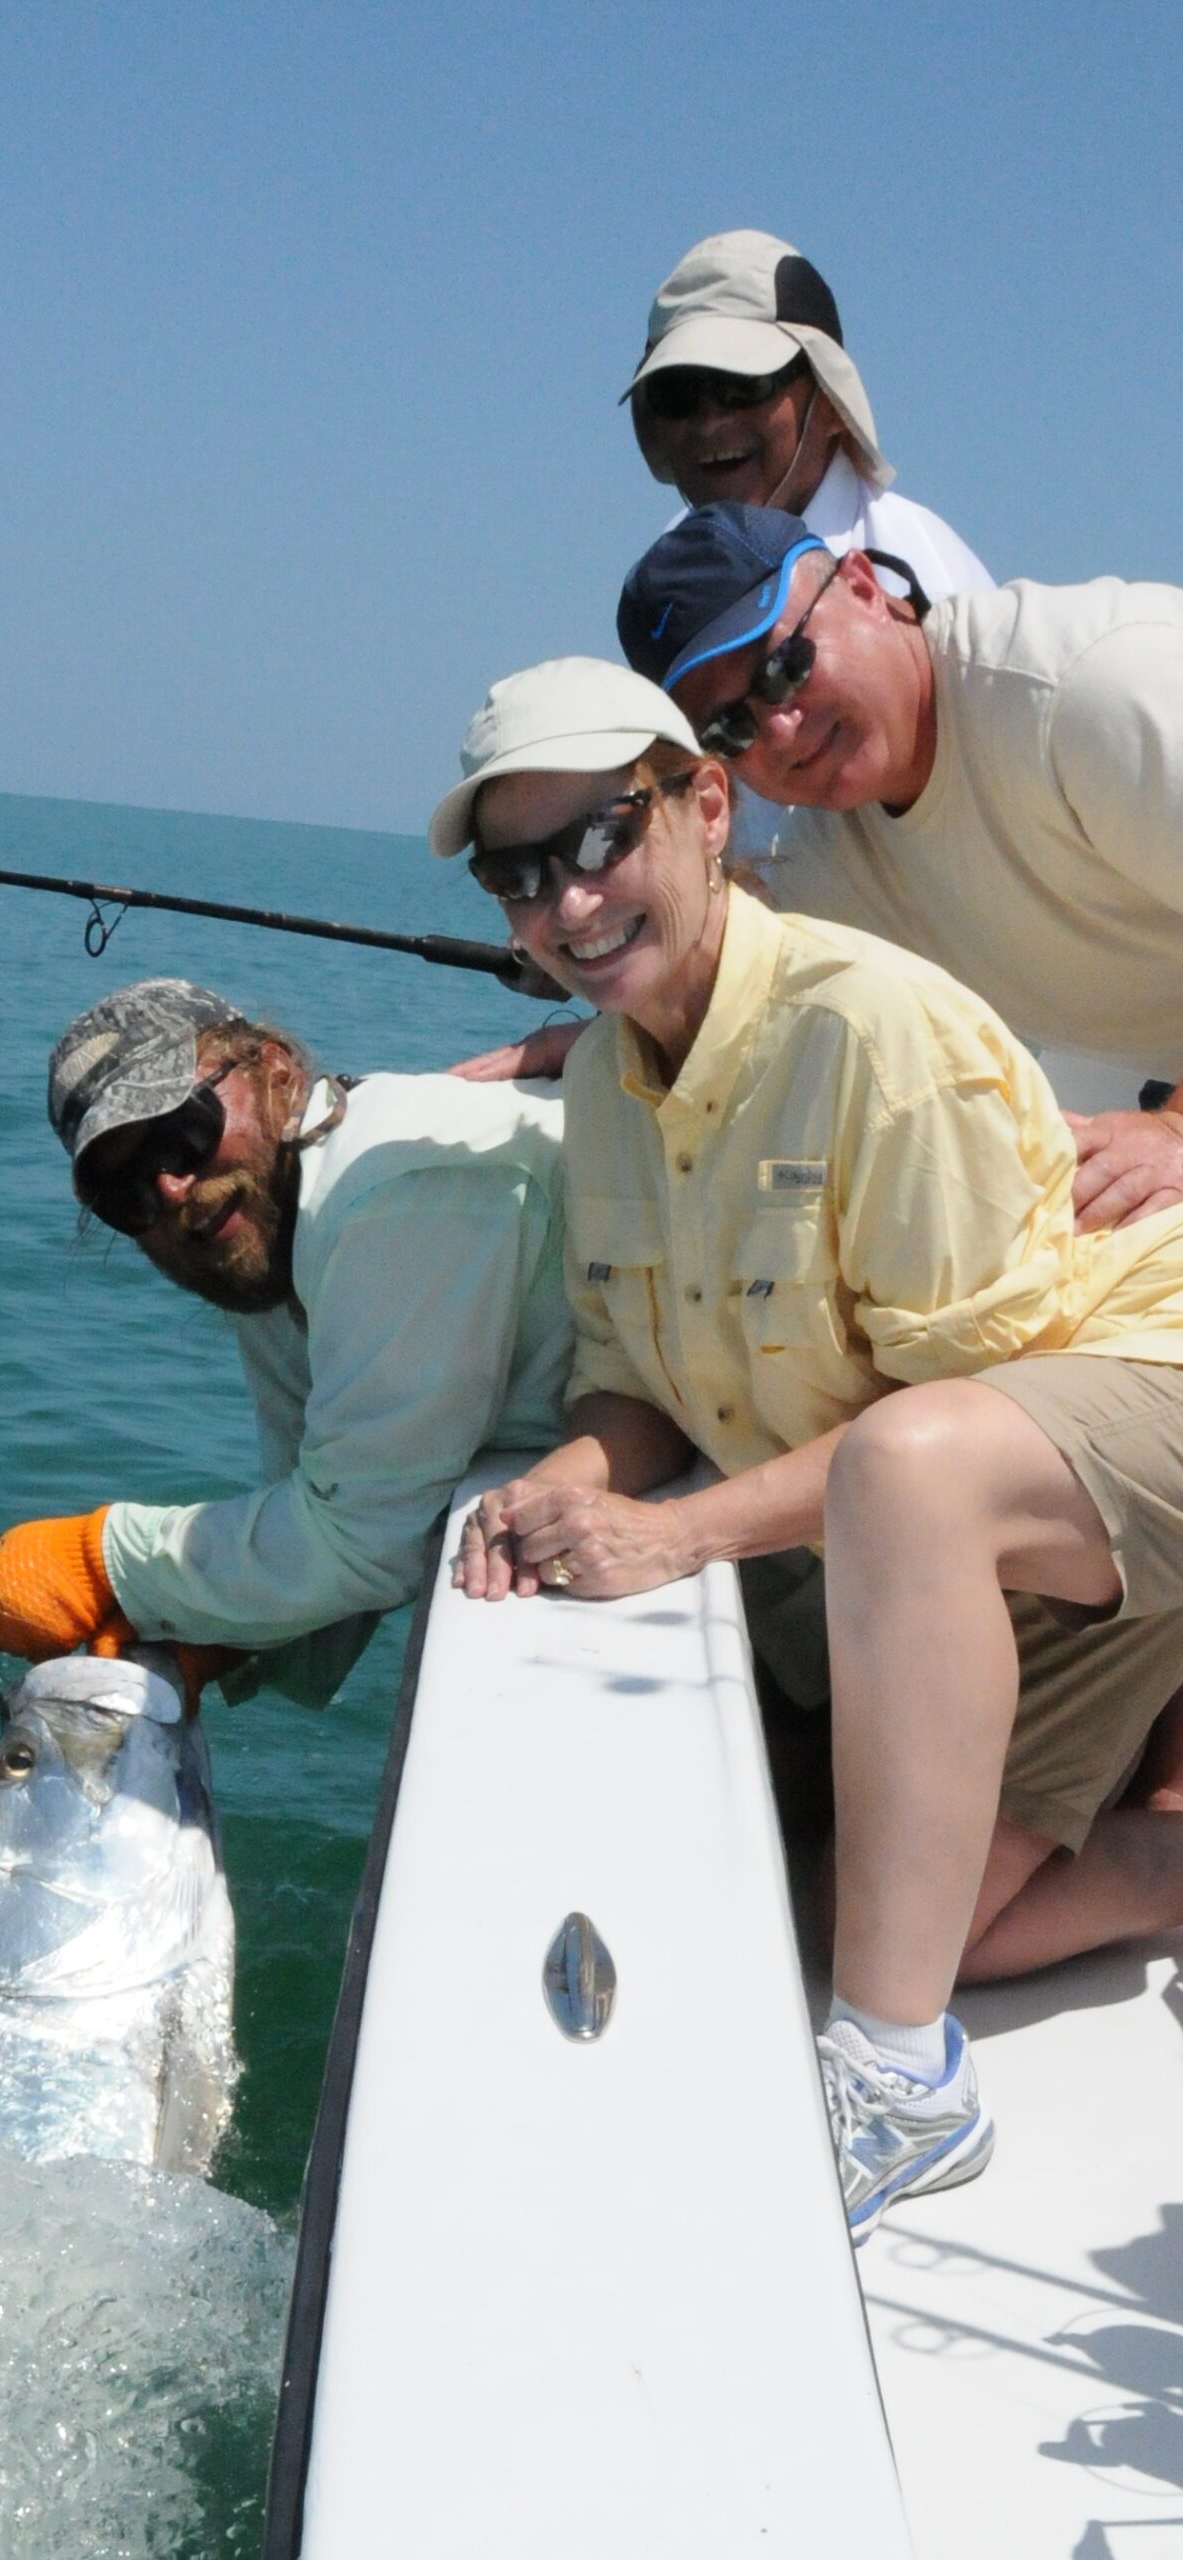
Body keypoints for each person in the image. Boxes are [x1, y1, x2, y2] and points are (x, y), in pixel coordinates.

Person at [430, 655, 1183, 2241]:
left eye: (598, 838)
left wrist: (682, 1536)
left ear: (709, 809)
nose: (566, 904)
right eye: (517, 873)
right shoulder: (613, 1092)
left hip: (1114, 1398)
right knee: (851, 1908)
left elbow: (962, 1409)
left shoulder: (874, 1025)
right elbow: (632, 1373)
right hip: (991, 1516)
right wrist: (567, 1483)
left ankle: (903, 2086)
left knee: (907, 1475)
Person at [0, 977, 574, 1706]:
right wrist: (208, 1631)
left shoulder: (397, 1181)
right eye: (123, 1191)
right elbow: (325, 1502)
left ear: (276, 1068)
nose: (170, 1190)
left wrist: (103, 1560)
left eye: (181, 1132)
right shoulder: (269, 1240)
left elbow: (365, 1539)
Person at [617, 501, 1183, 1206]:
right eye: (731, 727)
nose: (782, 731)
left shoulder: (1088, 691)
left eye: (782, 668)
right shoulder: (825, 862)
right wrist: (611, 1039)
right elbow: (739, 994)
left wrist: (1172, 1138)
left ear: (862, 586)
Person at [625, 228, 992, 605]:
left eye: (743, 385)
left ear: (830, 400)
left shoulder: (924, 580)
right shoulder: (669, 571)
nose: (710, 422)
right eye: (677, 393)